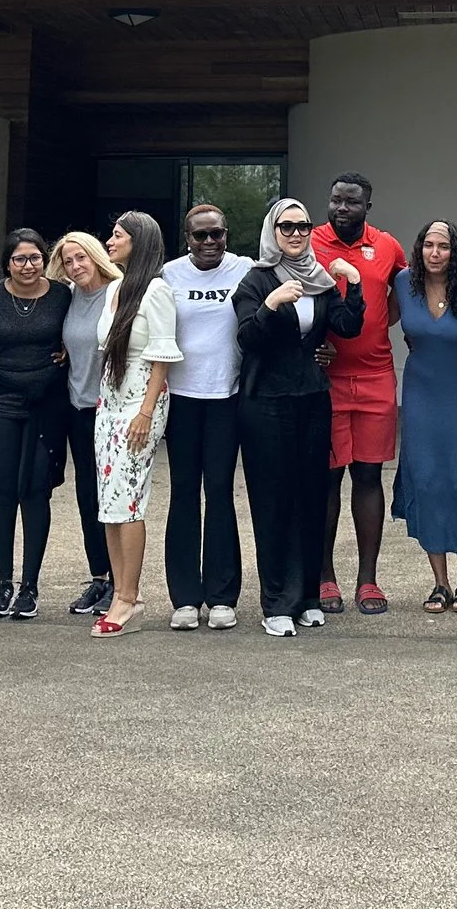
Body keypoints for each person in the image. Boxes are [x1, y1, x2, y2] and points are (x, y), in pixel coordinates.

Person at [233, 197, 364, 637]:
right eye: (286, 227)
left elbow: (345, 328)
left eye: (303, 226)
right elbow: (248, 338)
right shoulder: (256, 279)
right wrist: (270, 304)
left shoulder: (318, 277)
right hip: (266, 400)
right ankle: (277, 604)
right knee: (274, 501)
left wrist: (355, 284)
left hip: (311, 397)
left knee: (312, 496)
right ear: (273, 230)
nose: (295, 234)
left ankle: (307, 595)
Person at [312, 171, 403, 615]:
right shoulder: (309, 242)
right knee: (327, 479)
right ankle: (325, 575)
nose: (342, 208)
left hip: (375, 378)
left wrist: (377, 327)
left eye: (351, 202)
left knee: (368, 476)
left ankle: (368, 579)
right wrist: (311, 344)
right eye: (336, 201)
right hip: (326, 382)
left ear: (368, 206)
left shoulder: (386, 246)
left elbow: (403, 294)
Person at [91, 211, 181, 636]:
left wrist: (146, 412)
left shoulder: (156, 290)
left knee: (127, 498)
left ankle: (128, 598)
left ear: (139, 242)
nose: (110, 241)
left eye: (117, 235)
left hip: (141, 404)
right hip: (108, 404)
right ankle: (121, 591)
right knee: (108, 503)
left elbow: (163, 356)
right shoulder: (115, 288)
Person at [160, 202, 249, 630]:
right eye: (201, 235)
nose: (210, 242)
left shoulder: (245, 269)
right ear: (187, 238)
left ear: (226, 235)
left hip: (225, 396)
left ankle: (221, 595)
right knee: (182, 492)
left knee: (219, 492)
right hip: (180, 397)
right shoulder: (169, 274)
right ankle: (184, 597)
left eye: (217, 234)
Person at [0, 227, 73, 620]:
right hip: (2, 400)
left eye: (35, 258)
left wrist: (70, 348)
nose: (28, 265)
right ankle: (3, 583)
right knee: (2, 492)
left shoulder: (62, 295)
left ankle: (30, 586)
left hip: (47, 404)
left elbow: (86, 325)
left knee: (35, 490)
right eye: (19, 259)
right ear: (7, 264)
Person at [390, 219, 457, 612]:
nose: (435, 253)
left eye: (443, 246)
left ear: (454, 251)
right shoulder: (403, 285)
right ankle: (439, 583)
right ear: (419, 248)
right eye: (428, 245)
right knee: (426, 482)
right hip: (420, 395)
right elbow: (372, 323)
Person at [52, 231, 122, 616]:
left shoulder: (119, 292)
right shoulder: (68, 296)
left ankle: (119, 581)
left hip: (111, 411)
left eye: (81, 258)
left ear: (96, 256)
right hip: (78, 409)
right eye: (68, 261)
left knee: (113, 498)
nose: (76, 266)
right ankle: (99, 578)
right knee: (87, 497)